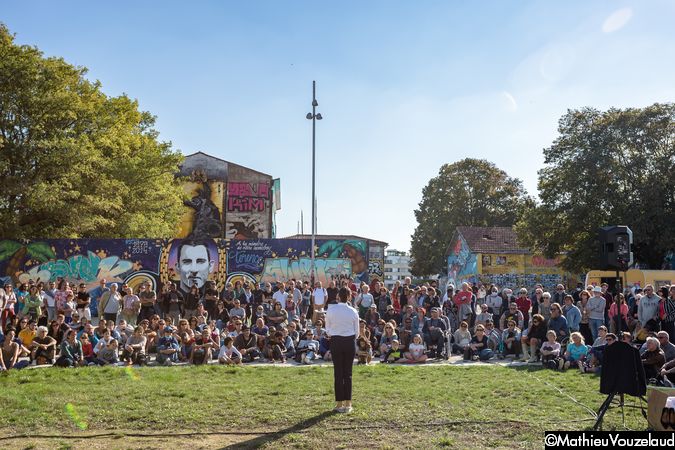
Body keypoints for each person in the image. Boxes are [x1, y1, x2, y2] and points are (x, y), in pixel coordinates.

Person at [325, 286, 359, 414]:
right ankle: (348, 404)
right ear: (349, 297)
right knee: (348, 374)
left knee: (338, 373)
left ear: (338, 296)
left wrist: (334, 333)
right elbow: (357, 332)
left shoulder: (331, 310)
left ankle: (339, 404)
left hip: (336, 341)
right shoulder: (353, 311)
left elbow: (327, 330)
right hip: (349, 341)